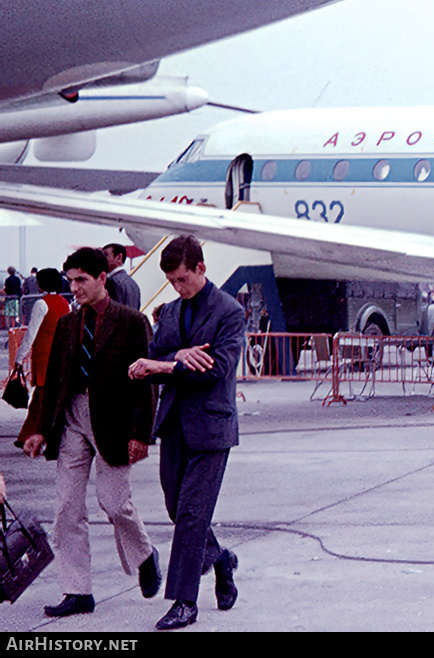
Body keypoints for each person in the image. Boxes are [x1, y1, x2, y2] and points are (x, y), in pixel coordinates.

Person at [19, 247, 160, 619]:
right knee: (66, 508)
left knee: (113, 502)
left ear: (102, 278)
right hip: (72, 421)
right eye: (70, 281)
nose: (75, 287)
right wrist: (38, 429)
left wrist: (141, 434)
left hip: (113, 422)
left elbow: (146, 385)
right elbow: (53, 382)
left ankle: (145, 554)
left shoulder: (132, 322)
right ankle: (77, 590)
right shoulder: (68, 324)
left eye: (81, 280)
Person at [128, 235, 244, 631]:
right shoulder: (172, 312)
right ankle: (222, 560)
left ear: (200, 269)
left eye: (182, 279)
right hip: (174, 423)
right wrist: (173, 357)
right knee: (178, 509)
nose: (178, 287)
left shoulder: (229, 312)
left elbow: (215, 369)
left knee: (193, 513)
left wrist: (161, 366)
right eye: (172, 282)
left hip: (212, 426)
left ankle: (183, 601)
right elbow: (155, 352)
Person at [14, 268, 66, 388]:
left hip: (44, 352)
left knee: (42, 392)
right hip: (59, 351)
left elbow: (31, 333)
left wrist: (20, 357)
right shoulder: (64, 303)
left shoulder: (41, 304)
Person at [103, 244, 141, 313]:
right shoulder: (133, 283)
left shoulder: (114, 281)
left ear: (119, 257)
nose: (102, 259)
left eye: (106, 255)